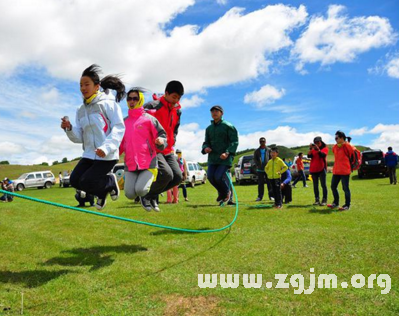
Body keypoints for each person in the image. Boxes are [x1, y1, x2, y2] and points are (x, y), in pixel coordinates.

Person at [61, 64, 125, 211]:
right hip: (90, 153)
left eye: (86, 84)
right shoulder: (81, 110)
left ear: (97, 86)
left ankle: (109, 181)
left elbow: (119, 127)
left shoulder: (108, 104)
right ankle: (102, 193)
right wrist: (69, 128)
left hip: (107, 155)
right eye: (81, 85)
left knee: (87, 181)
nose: (83, 88)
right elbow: (80, 137)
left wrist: (106, 147)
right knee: (75, 180)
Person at [119, 88, 167, 211]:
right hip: (130, 164)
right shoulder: (124, 122)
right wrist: (112, 157)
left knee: (141, 190)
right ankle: (142, 197)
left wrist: (161, 141)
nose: (131, 101)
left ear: (140, 100)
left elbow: (162, 135)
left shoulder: (149, 119)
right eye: (129, 98)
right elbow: (119, 143)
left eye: (135, 98)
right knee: (129, 194)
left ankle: (147, 196)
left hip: (148, 162)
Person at [141, 81, 184, 212]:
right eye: (174, 97)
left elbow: (175, 128)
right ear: (166, 93)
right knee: (166, 174)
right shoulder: (152, 106)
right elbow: (140, 124)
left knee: (177, 177)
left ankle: (151, 195)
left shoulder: (177, 111)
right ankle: (146, 195)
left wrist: (173, 139)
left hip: (168, 148)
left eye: (179, 98)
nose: (176, 100)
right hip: (154, 147)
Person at [202, 105, 239, 205]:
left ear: (221, 113)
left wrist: (227, 152)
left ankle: (226, 193)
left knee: (218, 177)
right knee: (210, 176)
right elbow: (206, 142)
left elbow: (234, 142)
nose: (214, 113)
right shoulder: (208, 129)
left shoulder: (228, 126)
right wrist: (205, 148)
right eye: (212, 111)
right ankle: (224, 193)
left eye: (217, 111)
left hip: (224, 158)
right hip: (213, 158)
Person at [328, 130, 354, 211]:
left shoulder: (347, 146)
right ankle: (336, 203)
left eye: (337, 138)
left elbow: (352, 152)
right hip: (336, 170)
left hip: (345, 170)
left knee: (345, 188)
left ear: (342, 138)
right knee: (333, 186)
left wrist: (346, 143)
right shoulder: (335, 147)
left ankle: (347, 205)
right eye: (335, 138)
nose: (335, 139)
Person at [308, 136, 329, 205]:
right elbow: (309, 156)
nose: (317, 144)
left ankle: (324, 200)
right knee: (315, 186)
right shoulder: (313, 149)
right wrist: (311, 148)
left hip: (322, 169)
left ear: (321, 142)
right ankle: (317, 200)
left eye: (318, 142)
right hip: (314, 169)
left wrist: (318, 150)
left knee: (323, 185)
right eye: (315, 143)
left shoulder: (325, 148)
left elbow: (322, 155)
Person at [253, 137, 273, 202]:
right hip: (260, 170)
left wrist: (269, 166)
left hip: (268, 169)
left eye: (263, 141)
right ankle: (260, 197)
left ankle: (271, 196)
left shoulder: (269, 150)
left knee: (269, 183)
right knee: (260, 184)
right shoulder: (256, 151)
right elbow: (255, 159)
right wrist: (258, 165)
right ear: (259, 142)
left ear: (265, 142)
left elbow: (271, 158)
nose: (262, 142)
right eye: (261, 141)